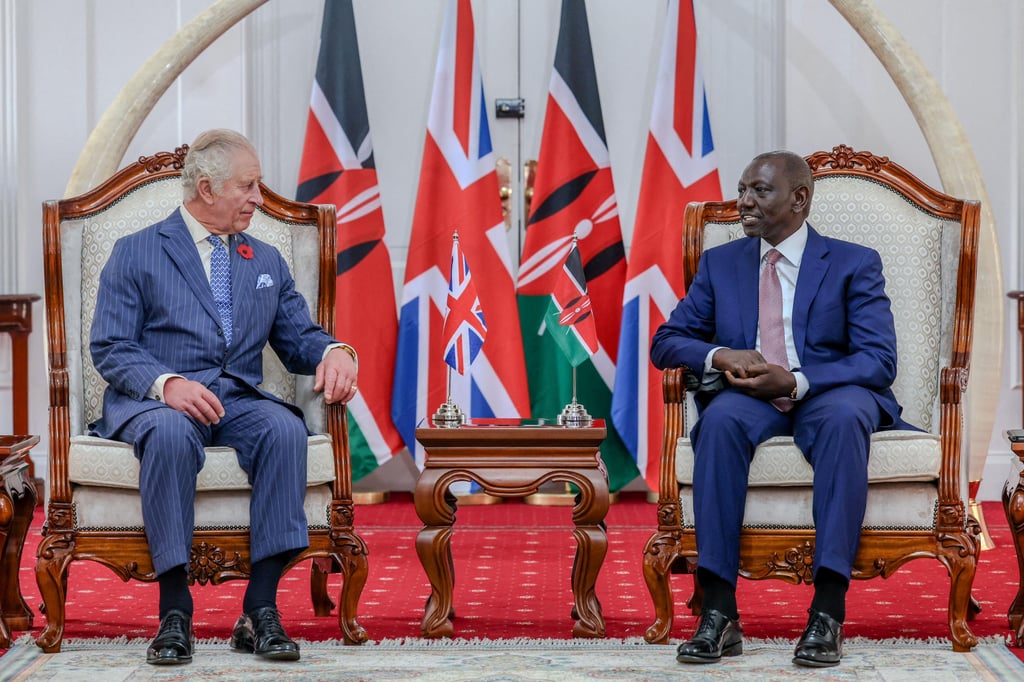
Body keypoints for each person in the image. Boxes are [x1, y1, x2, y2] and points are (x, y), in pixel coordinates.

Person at [89, 129, 359, 665]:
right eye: (249, 187)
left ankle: (260, 610)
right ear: (207, 189)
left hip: (235, 397)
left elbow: (298, 338)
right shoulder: (137, 251)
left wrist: (338, 350)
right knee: (168, 437)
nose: (260, 199)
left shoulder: (264, 260)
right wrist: (168, 384)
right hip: (159, 401)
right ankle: (175, 612)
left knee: (284, 429)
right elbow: (111, 347)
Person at [650, 150, 914, 668]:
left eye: (758, 191)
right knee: (720, 421)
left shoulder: (852, 262)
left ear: (799, 199)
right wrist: (720, 354)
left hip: (826, 394)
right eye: (742, 188)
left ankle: (828, 611)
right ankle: (720, 612)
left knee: (843, 421)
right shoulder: (722, 263)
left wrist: (796, 380)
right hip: (752, 400)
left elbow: (878, 359)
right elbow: (666, 340)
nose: (743, 201)